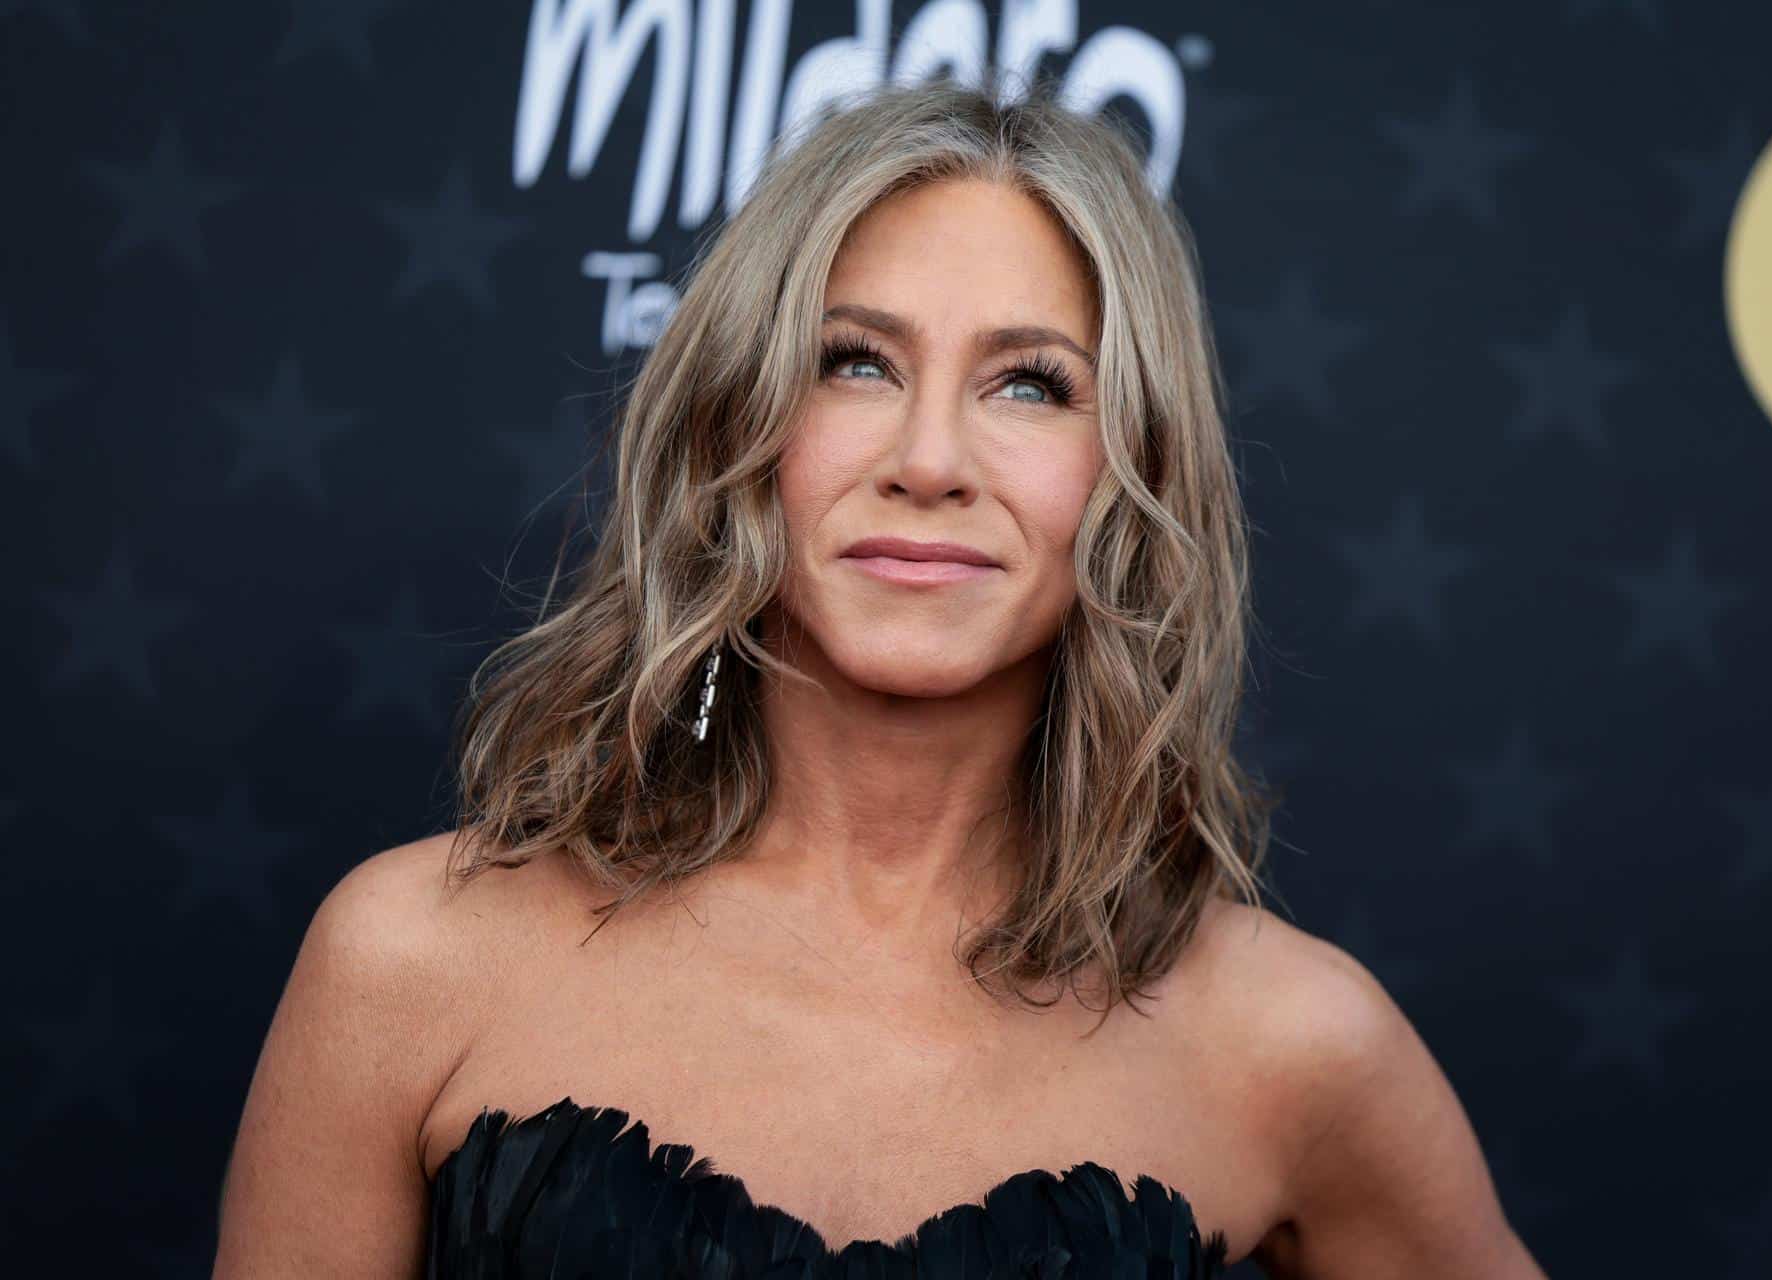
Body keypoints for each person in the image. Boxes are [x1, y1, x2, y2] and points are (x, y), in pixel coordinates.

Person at [212, 78, 1547, 1278]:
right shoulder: (411, 961)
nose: (929, 458)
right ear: (740, 423)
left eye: (1029, 385)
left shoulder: (1287, 1040)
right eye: (855, 363)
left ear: (1131, 474)